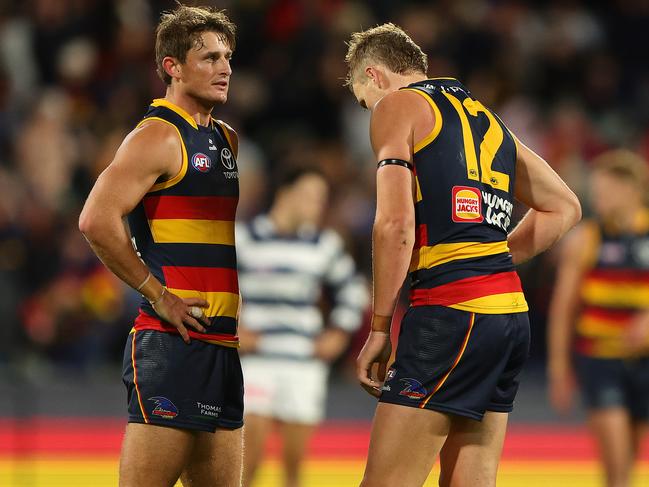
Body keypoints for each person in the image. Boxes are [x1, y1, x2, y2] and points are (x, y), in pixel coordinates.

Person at [344, 23, 582, 487]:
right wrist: (489, 260)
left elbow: (394, 226)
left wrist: (378, 326)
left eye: (361, 99)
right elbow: (564, 207)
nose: (368, 110)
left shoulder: (397, 105)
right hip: (509, 318)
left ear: (373, 76)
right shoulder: (487, 119)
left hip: (450, 316)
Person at [78, 6, 244, 486]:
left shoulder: (224, 139)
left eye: (227, 57)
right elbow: (96, 219)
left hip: (221, 346)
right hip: (172, 346)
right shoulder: (157, 136)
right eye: (209, 57)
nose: (225, 67)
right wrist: (158, 292)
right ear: (172, 67)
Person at [236, 167, 369, 487]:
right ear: (285, 194)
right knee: (247, 457)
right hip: (255, 360)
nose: (316, 206)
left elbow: (355, 290)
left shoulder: (324, 244)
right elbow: (215, 289)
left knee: (293, 465)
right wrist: (232, 329)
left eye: (321, 199)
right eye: (310, 196)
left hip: (303, 360)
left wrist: (338, 334)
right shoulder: (244, 238)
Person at [548, 150, 649, 487]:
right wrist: (560, 369)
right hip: (600, 360)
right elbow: (563, 310)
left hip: (644, 361)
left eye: (605, 192)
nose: (598, 199)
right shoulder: (586, 239)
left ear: (632, 190)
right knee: (618, 466)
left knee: (628, 462)